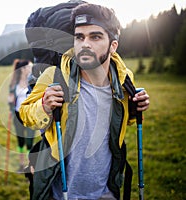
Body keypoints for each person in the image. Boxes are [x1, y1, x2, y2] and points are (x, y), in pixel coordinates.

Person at [19, 2, 150, 200]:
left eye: (95, 37)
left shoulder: (123, 79)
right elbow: (26, 115)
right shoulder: (54, 76)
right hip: (61, 191)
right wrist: (43, 107)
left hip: (106, 191)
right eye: (79, 37)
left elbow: (119, 121)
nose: (85, 44)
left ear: (113, 45)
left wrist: (134, 109)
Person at [8, 59, 35, 172]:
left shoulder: (33, 82)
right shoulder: (15, 84)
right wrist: (10, 103)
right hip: (17, 115)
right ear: (23, 69)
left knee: (29, 141)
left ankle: (29, 165)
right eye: (29, 66)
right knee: (20, 141)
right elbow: (10, 99)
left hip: (30, 116)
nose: (31, 68)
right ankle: (21, 164)